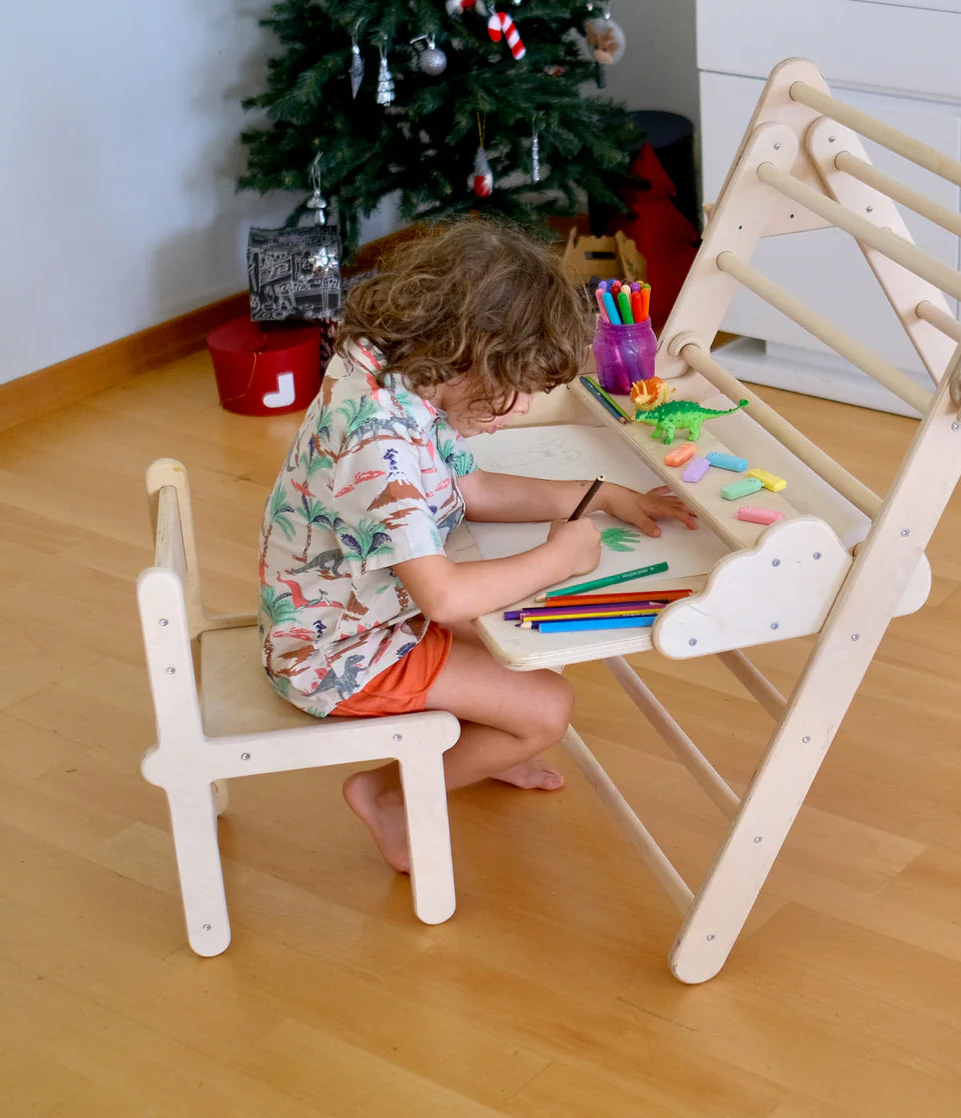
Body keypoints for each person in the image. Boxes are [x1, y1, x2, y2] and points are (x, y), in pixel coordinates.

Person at [257, 220, 696, 872]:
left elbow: (473, 484)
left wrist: (595, 494)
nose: (518, 408)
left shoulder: (390, 376)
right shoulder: (379, 451)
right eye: (511, 384)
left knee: (523, 650)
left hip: (345, 615)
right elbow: (443, 597)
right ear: (466, 348)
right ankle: (388, 795)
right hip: (339, 654)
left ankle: (485, 748)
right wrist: (561, 558)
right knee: (546, 710)